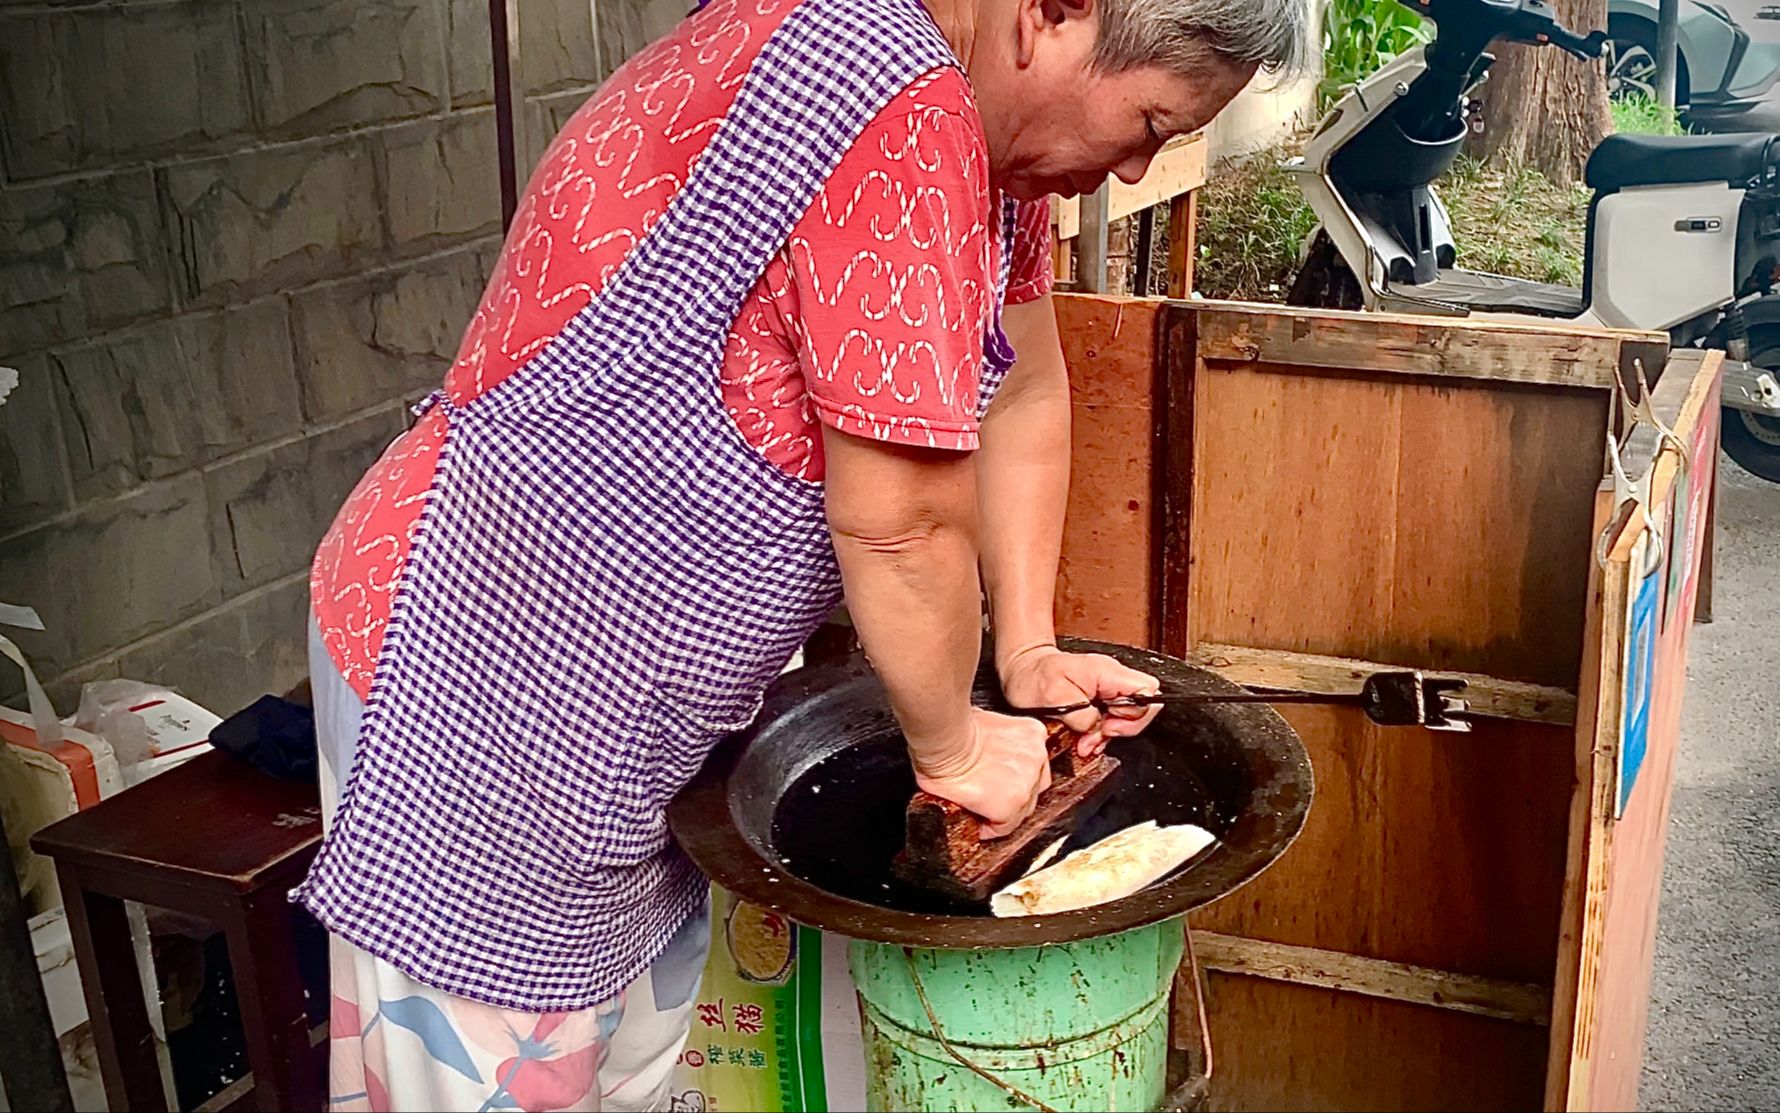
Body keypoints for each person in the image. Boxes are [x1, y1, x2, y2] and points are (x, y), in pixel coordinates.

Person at [299, 0, 1304, 1108]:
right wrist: (958, 751)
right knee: (497, 1083)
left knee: (625, 1075)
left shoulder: (985, 144)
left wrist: (1024, 649)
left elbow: (1019, 388)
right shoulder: (879, 84)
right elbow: (899, 515)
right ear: (1051, 14)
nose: (1134, 165)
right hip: (488, 671)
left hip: (644, 709)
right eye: (1151, 120)